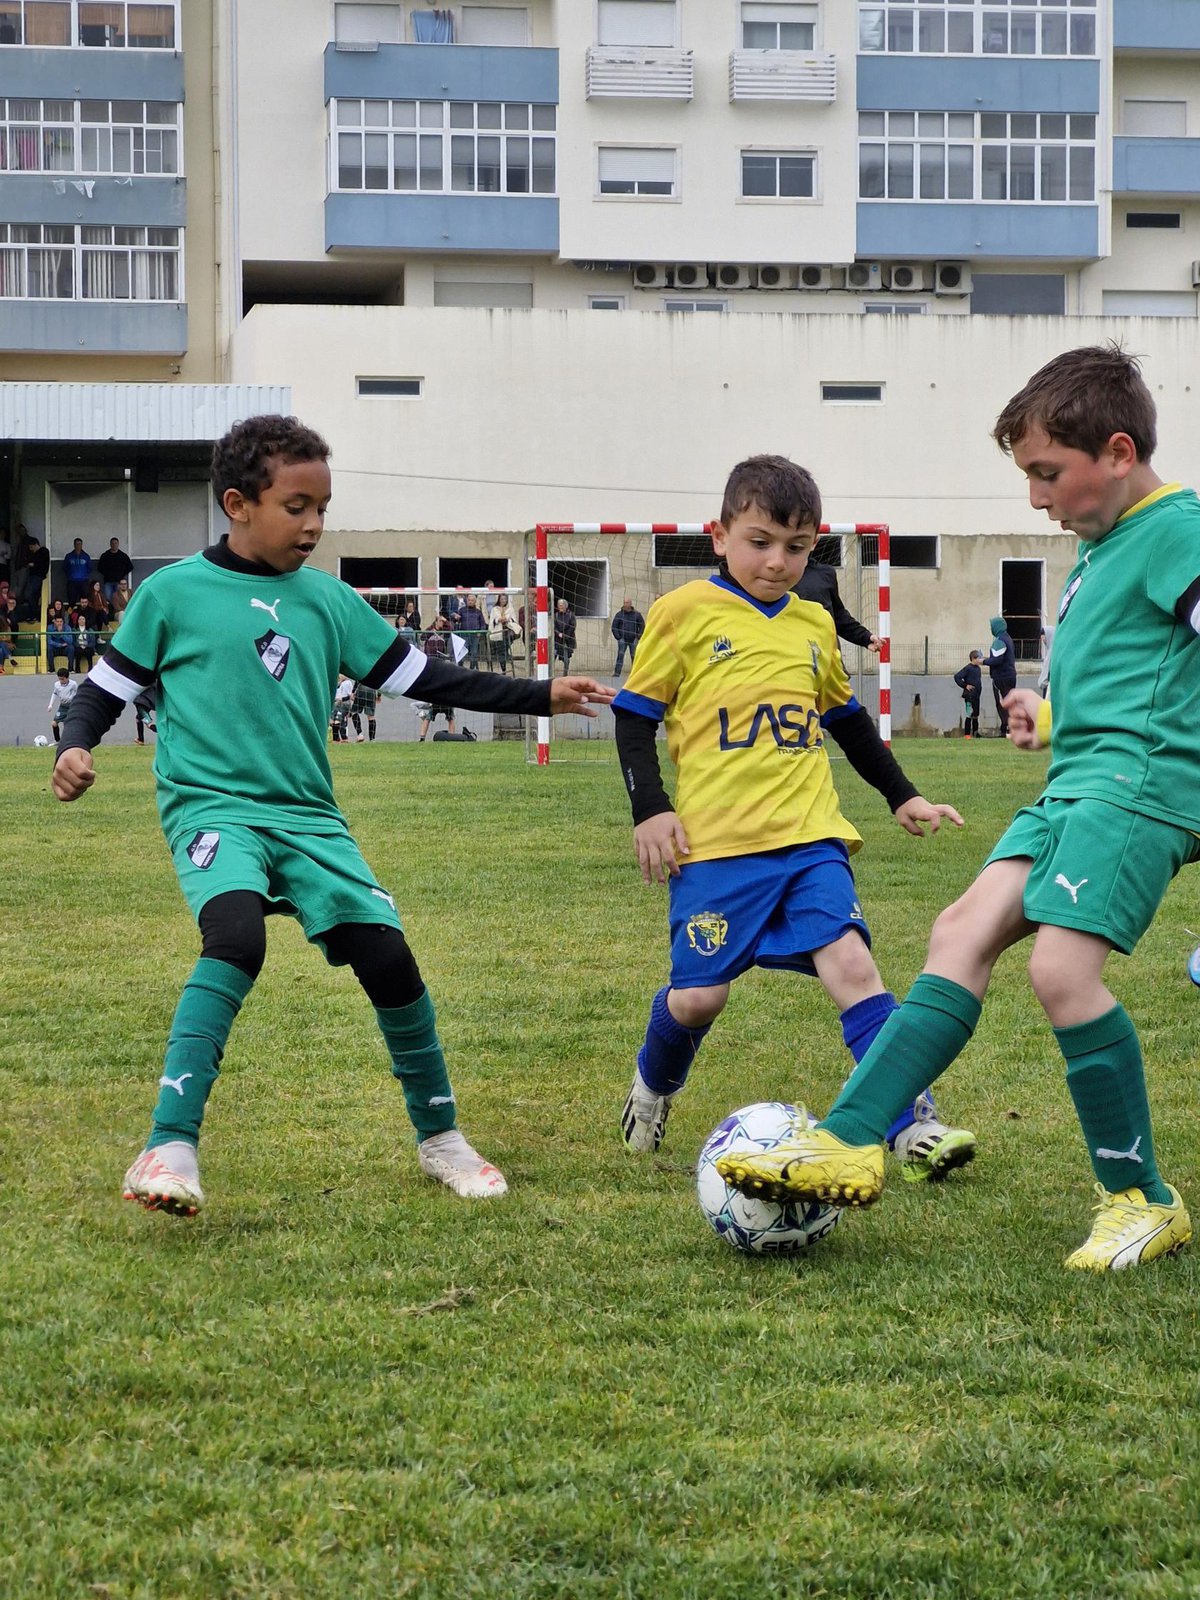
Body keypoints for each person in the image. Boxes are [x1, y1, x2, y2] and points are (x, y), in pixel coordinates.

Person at [51, 414, 614, 1217]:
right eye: (297, 506)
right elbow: (103, 694)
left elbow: (430, 681)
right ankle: (168, 1145)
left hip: (310, 818)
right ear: (238, 503)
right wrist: (73, 747)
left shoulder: (330, 602)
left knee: (388, 959)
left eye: (323, 506)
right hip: (214, 809)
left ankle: (441, 1137)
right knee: (236, 940)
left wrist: (540, 695)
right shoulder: (171, 594)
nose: (314, 524)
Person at [716, 346, 1198, 1273]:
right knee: (958, 932)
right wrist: (1051, 715)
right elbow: (1149, 677)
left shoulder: (1178, 530)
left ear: (1120, 450)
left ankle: (1142, 1199)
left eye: (1047, 474)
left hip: (1137, 791)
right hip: (1078, 785)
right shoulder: (1103, 550)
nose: (1036, 498)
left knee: (1061, 972)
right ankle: (851, 1136)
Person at [613, 454, 975, 1181]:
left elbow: (846, 722)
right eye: (760, 542)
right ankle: (652, 1089)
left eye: (797, 547)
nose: (778, 562)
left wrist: (901, 793)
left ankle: (909, 1125)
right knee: (698, 998)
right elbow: (634, 716)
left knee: (853, 966)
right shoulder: (681, 615)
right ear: (719, 535)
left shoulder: (813, 623)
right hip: (716, 849)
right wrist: (651, 807)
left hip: (812, 839)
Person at [793, 559, 882, 653]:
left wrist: (865, 637)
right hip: (791, 655)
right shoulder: (778, 577)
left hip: (826, 654)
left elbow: (838, 615)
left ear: (813, 544)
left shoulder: (825, 573)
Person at [986, 613, 1017, 735]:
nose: (991, 629)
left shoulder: (1000, 640)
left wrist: (983, 661)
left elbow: (997, 660)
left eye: (991, 626)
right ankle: (1010, 727)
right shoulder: (1008, 638)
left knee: (1002, 703)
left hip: (1001, 677)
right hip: (1010, 675)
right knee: (1009, 702)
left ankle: (1006, 728)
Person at [610, 596, 645, 677]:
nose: (625, 604)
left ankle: (636, 674)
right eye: (624, 603)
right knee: (620, 656)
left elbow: (642, 625)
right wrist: (618, 637)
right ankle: (617, 673)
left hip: (633, 640)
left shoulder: (637, 614)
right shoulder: (619, 614)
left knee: (635, 657)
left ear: (630, 604)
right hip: (622, 639)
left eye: (627, 603)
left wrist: (638, 636)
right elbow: (614, 627)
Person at [488, 594, 521, 676]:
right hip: (499, 632)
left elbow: (514, 620)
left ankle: (504, 669)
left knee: (504, 650)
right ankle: (504, 669)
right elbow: (492, 620)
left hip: (507, 632)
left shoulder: (510, 609)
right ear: (499, 600)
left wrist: (507, 620)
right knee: (501, 651)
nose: (503, 601)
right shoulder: (494, 609)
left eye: (505, 599)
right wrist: (498, 620)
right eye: (502, 599)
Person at [953, 650, 983, 739]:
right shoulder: (968, 668)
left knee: (976, 715)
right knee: (969, 714)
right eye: (979, 658)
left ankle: (975, 732)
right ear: (973, 658)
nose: (980, 660)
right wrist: (965, 685)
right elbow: (957, 677)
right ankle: (967, 734)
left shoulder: (978, 668)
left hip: (977, 695)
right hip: (969, 696)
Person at [97, 536, 133, 603]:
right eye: (112, 543)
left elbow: (130, 567)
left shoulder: (123, 555)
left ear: (118, 544)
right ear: (110, 544)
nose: (114, 545)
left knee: (118, 598)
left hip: (118, 581)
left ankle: (117, 611)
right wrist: (106, 574)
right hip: (108, 581)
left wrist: (122, 574)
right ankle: (111, 612)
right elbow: (99, 567)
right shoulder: (105, 555)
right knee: (108, 597)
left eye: (116, 543)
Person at [457, 593, 486, 670]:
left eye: (472, 600)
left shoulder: (478, 612)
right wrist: (455, 617)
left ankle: (472, 669)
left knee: (474, 653)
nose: (470, 602)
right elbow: (456, 621)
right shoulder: (461, 610)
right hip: (464, 634)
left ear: (475, 601)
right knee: (462, 652)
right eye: (469, 600)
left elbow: (483, 624)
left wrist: (480, 632)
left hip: (475, 635)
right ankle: (459, 669)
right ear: (467, 600)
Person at [47, 666, 77, 740]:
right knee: (54, 723)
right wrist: (50, 705)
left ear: (67, 678)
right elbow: (54, 694)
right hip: (62, 706)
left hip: (71, 706)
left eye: (62, 679)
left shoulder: (73, 684)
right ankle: (57, 741)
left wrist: (70, 699)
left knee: (68, 724)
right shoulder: (57, 685)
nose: (60, 681)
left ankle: (71, 740)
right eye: (59, 678)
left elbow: (75, 694)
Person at [45, 599, 74, 670]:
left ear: (63, 622)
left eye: (61, 621)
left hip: (65, 648)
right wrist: (59, 645)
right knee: (49, 647)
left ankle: (71, 669)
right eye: (57, 621)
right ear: (54, 621)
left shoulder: (67, 628)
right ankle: (51, 669)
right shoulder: (50, 627)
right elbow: (49, 641)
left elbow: (70, 641)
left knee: (71, 648)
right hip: (56, 647)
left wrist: (62, 633)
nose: (59, 623)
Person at [64, 537, 92, 605]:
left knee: (84, 600)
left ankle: (84, 615)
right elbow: (65, 567)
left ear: (82, 545)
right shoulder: (69, 556)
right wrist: (70, 575)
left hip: (83, 581)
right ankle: (71, 615)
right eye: (77, 544)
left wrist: (84, 575)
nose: (78, 545)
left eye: (80, 544)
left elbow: (90, 568)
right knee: (71, 600)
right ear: (74, 545)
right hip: (72, 581)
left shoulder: (86, 556)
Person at [554, 597, 576, 675]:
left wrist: (565, 635)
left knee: (566, 658)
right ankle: (550, 672)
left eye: (562, 605)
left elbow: (572, 626)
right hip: (557, 639)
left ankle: (565, 673)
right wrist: (558, 633)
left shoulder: (571, 615)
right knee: (554, 654)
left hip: (568, 639)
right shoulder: (556, 615)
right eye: (559, 605)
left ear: (565, 606)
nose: (560, 607)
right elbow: (554, 626)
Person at [72, 607, 96, 674]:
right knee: (78, 651)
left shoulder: (90, 630)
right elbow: (74, 641)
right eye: (80, 619)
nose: (81, 621)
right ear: (78, 621)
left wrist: (85, 645)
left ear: (85, 620)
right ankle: (77, 670)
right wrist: (80, 645)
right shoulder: (74, 630)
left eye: (83, 619)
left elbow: (93, 642)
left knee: (89, 651)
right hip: (78, 647)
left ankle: (90, 669)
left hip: (88, 647)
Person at [331, 674, 354, 742]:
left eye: (341, 674)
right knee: (333, 720)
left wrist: (342, 699)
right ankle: (336, 738)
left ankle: (343, 738)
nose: (339, 675)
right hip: (336, 703)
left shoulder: (347, 683)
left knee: (339, 720)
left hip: (344, 704)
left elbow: (350, 696)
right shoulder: (339, 683)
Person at [1038, 620, 1056, 699]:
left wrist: (1042, 683)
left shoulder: (1052, 651)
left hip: (1050, 685)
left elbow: (1046, 670)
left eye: (1044, 639)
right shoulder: (1054, 648)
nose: (1044, 642)